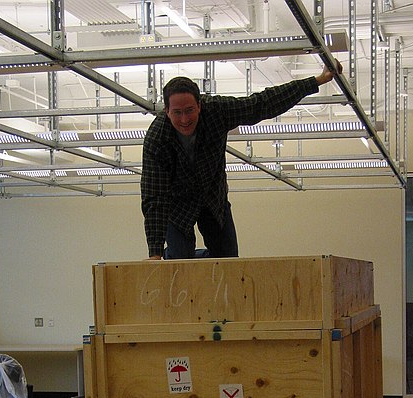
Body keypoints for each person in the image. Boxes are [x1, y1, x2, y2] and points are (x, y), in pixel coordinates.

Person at [141, 63, 342, 260]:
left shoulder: (216, 112)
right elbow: (154, 197)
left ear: (200, 105)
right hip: (178, 205)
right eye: (177, 112)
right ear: (166, 111)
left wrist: (317, 80)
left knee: (228, 260)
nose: (184, 119)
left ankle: (200, 259)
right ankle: (173, 256)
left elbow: (261, 104)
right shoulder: (157, 139)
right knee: (179, 264)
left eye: (189, 110)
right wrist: (155, 253)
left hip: (213, 198)